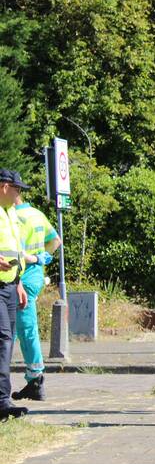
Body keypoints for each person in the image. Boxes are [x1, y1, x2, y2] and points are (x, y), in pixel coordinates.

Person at [11, 191, 61, 402]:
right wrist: (42, 258)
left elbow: (13, 251)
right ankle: (34, 379)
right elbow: (56, 241)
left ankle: (35, 377)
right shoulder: (37, 214)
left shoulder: (13, 217)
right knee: (18, 326)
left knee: (20, 327)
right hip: (35, 276)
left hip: (19, 276)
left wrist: (31, 258)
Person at [0, 169, 29, 420]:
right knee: (3, 339)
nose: (19, 194)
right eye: (17, 189)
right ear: (4, 187)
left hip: (10, 285)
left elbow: (15, 251)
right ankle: (2, 402)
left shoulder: (9, 213)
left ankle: (3, 400)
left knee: (7, 342)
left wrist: (18, 282)